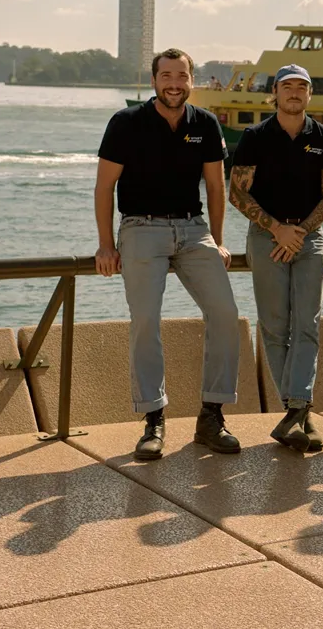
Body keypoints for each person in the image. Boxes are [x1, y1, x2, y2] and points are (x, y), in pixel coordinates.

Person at [94, 48, 242, 461]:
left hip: (194, 231)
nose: (174, 83)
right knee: (145, 320)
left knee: (226, 314)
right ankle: (153, 420)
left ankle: (211, 416)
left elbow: (216, 188)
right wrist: (106, 244)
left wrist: (218, 239)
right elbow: (104, 187)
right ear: (155, 79)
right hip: (141, 227)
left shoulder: (206, 124)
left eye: (181, 75)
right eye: (166, 75)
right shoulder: (126, 123)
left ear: (192, 80)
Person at [228, 64, 323, 453]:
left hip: (309, 238)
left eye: (301, 87)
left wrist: (298, 233)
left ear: (310, 95)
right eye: (287, 86)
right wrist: (277, 229)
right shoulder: (255, 137)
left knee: (307, 323)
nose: (294, 92)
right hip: (266, 236)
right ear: (275, 92)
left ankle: (296, 409)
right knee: (275, 328)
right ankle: (300, 414)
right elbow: (238, 194)